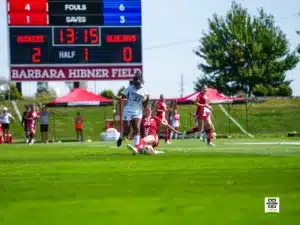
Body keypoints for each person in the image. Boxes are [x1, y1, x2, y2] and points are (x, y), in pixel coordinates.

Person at [116, 72, 149, 148]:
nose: (137, 84)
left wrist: (146, 103)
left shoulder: (144, 91)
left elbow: (146, 101)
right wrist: (117, 97)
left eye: (139, 82)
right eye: (136, 82)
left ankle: (136, 147)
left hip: (138, 111)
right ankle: (121, 138)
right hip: (128, 110)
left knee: (137, 128)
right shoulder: (130, 88)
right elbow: (122, 96)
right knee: (126, 131)